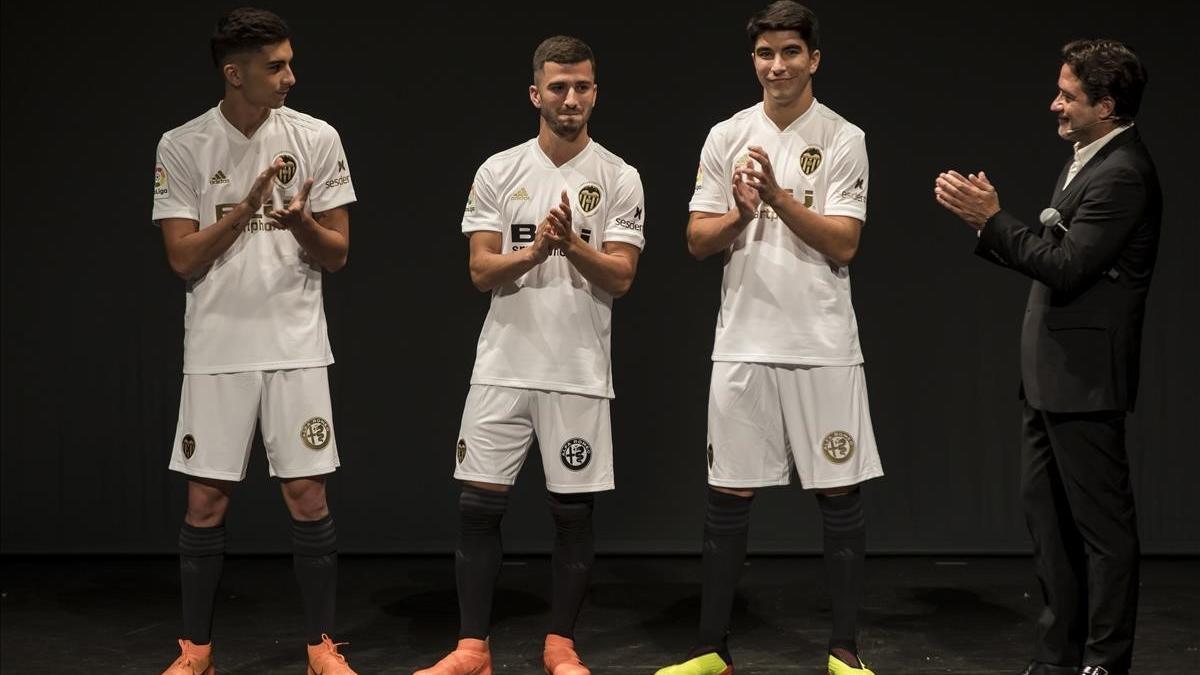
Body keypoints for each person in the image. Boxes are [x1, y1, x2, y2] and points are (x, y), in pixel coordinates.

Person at [657, 3, 883, 674]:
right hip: (743, 343)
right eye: (765, 54)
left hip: (823, 344)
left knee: (839, 498)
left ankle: (844, 652)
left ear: (814, 58)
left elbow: (846, 241)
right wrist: (739, 213)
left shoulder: (844, 137)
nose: (776, 65)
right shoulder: (726, 133)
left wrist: (781, 199)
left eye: (789, 51)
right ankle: (710, 651)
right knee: (727, 496)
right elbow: (697, 240)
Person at [414, 35, 645, 675]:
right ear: (535, 94)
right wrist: (537, 252)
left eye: (583, 87)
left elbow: (621, 278)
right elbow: (481, 271)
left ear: (595, 91)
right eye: (559, 87)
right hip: (503, 365)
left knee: (572, 511)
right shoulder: (499, 170)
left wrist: (570, 244)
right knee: (478, 507)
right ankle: (471, 649)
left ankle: (561, 646)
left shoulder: (620, 177)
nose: (572, 99)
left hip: (577, 370)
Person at [935, 39, 1159, 675]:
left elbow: (1066, 267)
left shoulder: (1122, 172)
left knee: (1102, 533)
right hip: (1049, 380)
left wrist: (992, 218)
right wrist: (992, 227)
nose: (1055, 104)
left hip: (1085, 381)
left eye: (1069, 95)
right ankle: (1058, 656)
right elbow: (1054, 256)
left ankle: (1104, 661)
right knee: (1050, 527)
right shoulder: (1088, 159)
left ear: (1107, 106)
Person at [152, 7, 357, 674]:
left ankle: (321, 647)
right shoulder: (182, 146)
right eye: (276, 67)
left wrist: (299, 222)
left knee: (310, 499)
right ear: (234, 73)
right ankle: (197, 651)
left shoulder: (317, 138)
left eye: (290, 62)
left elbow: (337, 255)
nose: (290, 76)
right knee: (205, 503)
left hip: (296, 346)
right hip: (216, 349)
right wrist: (246, 207)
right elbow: (182, 259)